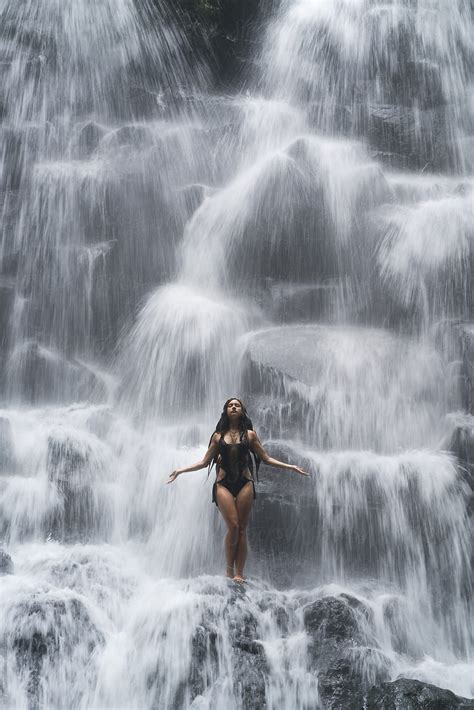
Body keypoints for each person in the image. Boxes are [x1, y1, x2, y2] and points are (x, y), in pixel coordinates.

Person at [167, 397, 309, 583]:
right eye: (230, 405)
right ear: (226, 410)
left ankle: (239, 573)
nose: (234, 407)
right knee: (232, 526)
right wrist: (181, 470)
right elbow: (204, 462)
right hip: (224, 483)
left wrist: (290, 467)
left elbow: (265, 458)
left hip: (245, 482)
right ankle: (228, 569)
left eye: (237, 405)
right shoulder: (217, 437)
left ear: (242, 411)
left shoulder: (250, 435)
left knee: (241, 528)